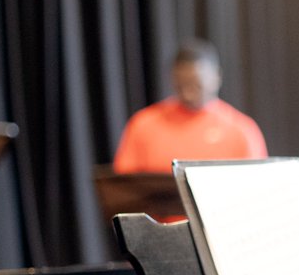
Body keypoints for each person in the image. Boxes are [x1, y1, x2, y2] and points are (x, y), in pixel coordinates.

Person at [113, 39, 268, 174]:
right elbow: (125, 185)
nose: (187, 93)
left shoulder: (241, 129)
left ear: (216, 77)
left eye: (195, 85)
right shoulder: (143, 124)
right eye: (181, 85)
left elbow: (257, 189)